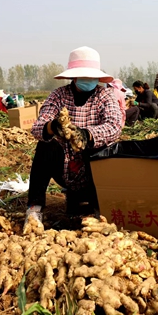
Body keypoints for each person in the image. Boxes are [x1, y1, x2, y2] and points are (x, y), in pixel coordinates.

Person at [25, 46, 123, 229]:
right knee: (45, 146)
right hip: (64, 167)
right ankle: (34, 209)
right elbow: (37, 127)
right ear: (74, 76)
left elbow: (114, 126)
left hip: (92, 169)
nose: (87, 80)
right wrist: (52, 127)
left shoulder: (105, 95)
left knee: (103, 148)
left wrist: (87, 135)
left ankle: (97, 210)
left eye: (91, 76)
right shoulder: (59, 96)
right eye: (83, 76)